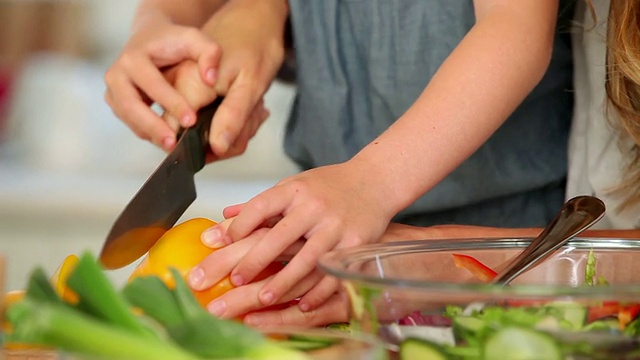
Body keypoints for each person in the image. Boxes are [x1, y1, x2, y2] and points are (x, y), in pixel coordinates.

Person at [105, 0, 576, 326]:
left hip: (514, 260)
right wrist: (155, 23)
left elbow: (516, 26)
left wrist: (372, 182)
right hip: (330, 257)